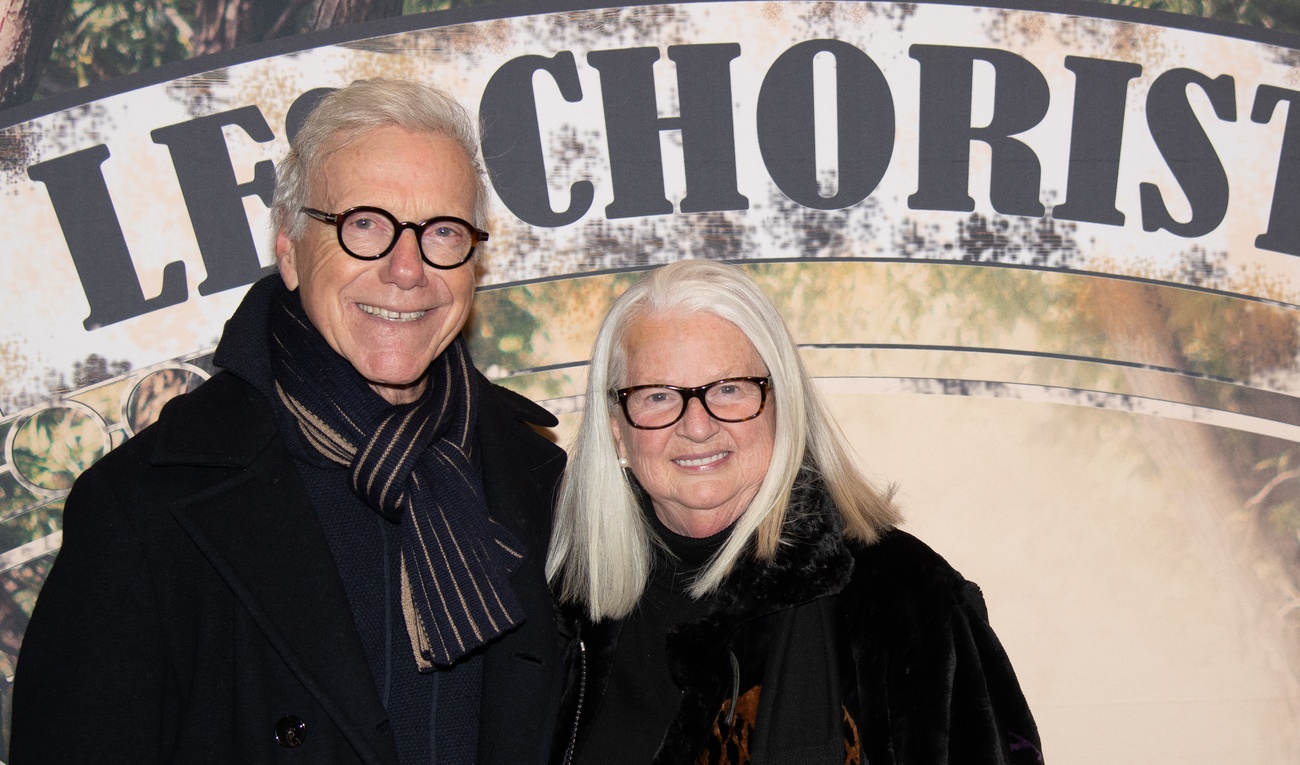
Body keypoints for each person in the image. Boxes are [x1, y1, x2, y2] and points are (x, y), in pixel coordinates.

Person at [11, 78, 566, 765]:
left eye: (443, 231)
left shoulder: (537, 485)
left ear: (474, 264)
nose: (406, 268)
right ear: (289, 249)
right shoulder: (143, 511)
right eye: (365, 224)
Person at [546, 259, 1042, 764]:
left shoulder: (902, 596)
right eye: (658, 395)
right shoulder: (563, 600)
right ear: (615, 425)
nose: (697, 426)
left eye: (729, 389)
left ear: (783, 402)